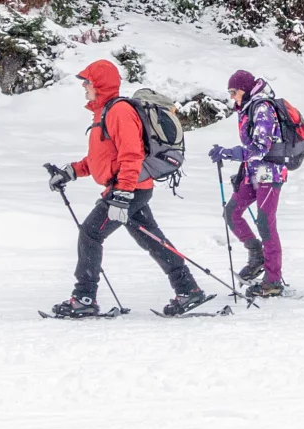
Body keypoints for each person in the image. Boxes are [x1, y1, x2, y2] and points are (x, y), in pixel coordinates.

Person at [46, 58, 205, 317]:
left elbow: (132, 155)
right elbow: (103, 159)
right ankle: (188, 290)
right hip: (129, 189)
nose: (84, 86)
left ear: (100, 84)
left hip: (128, 189)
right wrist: (70, 172)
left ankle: (84, 297)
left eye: (87, 81)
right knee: (152, 240)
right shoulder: (103, 113)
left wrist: (122, 195)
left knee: (91, 234)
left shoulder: (119, 111)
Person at [209, 69, 286, 298]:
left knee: (265, 222)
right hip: (254, 171)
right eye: (230, 92)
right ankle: (257, 254)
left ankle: (272, 281)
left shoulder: (263, 107)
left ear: (245, 89)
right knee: (232, 213)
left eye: (234, 91)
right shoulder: (247, 108)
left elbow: (261, 147)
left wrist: (230, 153)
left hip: (268, 171)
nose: (232, 96)